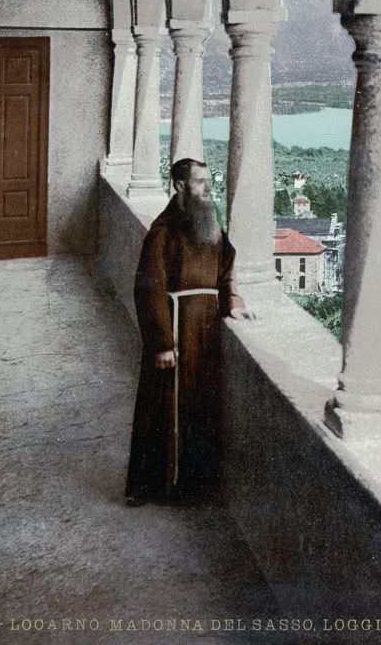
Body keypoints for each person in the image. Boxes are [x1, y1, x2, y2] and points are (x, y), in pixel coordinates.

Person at [124, 157, 246, 505]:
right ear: (179, 185)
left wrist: (232, 301)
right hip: (175, 330)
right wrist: (161, 342)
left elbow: (225, 266)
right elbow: (148, 287)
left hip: (205, 329)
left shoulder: (210, 225)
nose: (208, 188)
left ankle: (193, 488)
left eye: (209, 181)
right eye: (199, 182)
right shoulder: (163, 231)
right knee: (162, 407)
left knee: (199, 405)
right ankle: (152, 486)